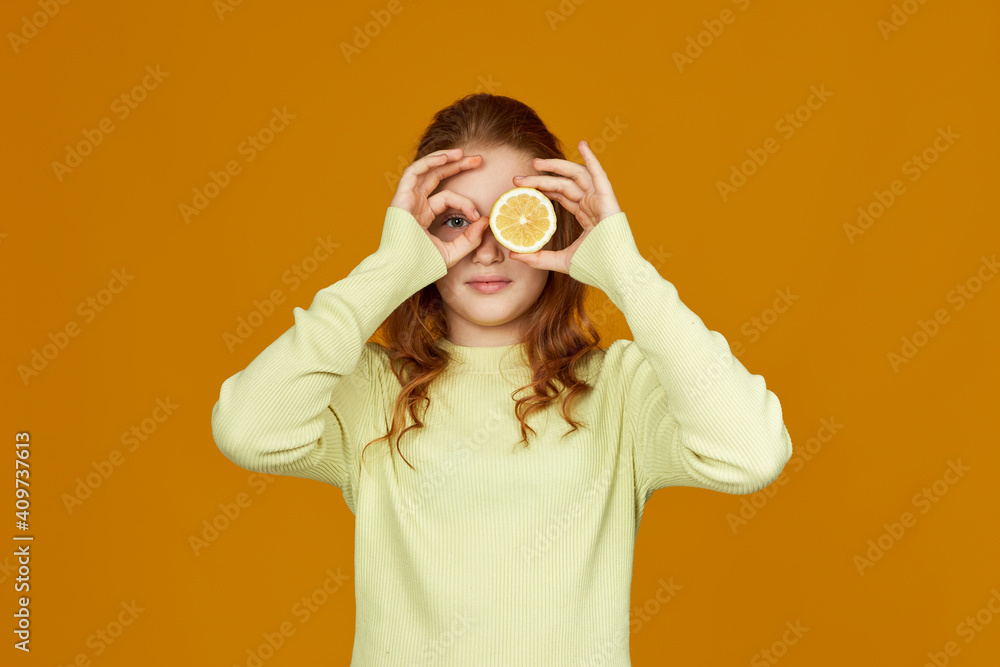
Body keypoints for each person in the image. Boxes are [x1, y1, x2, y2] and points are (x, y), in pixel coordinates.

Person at [211, 93, 794, 666]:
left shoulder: (619, 390)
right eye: (456, 220)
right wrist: (388, 269)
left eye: (518, 220)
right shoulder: (373, 391)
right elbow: (247, 429)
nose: (486, 250)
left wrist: (627, 273)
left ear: (558, 229)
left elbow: (750, 454)